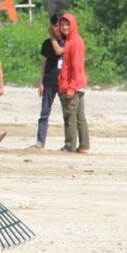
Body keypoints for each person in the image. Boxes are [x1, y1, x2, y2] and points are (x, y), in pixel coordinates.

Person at [57, 13, 89, 153]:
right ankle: (84, 146)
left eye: (67, 25)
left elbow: (77, 66)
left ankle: (69, 145)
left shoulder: (75, 42)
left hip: (73, 85)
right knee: (80, 117)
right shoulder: (70, 41)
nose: (64, 27)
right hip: (78, 85)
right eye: (62, 25)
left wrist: (71, 87)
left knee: (70, 116)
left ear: (73, 25)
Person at [35, 13, 64, 149]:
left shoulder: (68, 41)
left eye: (60, 25)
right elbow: (43, 64)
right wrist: (40, 82)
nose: (58, 28)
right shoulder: (47, 43)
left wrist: (52, 37)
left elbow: (58, 51)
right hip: (49, 81)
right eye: (55, 25)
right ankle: (40, 141)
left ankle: (69, 143)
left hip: (64, 82)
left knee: (67, 114)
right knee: (44, 113)